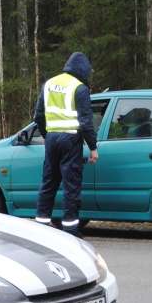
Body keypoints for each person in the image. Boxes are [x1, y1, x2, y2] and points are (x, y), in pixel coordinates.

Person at [33, 51, 98, 235]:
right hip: (70, 139)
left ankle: (41, 225)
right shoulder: (79, 88)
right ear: (82, 70)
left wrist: (48, 135)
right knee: (71, 186)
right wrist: (93, 147)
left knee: (48, 182)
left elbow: (38, 116)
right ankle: (70, 229)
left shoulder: (49, 84)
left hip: (52, 139)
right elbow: (86, 122)